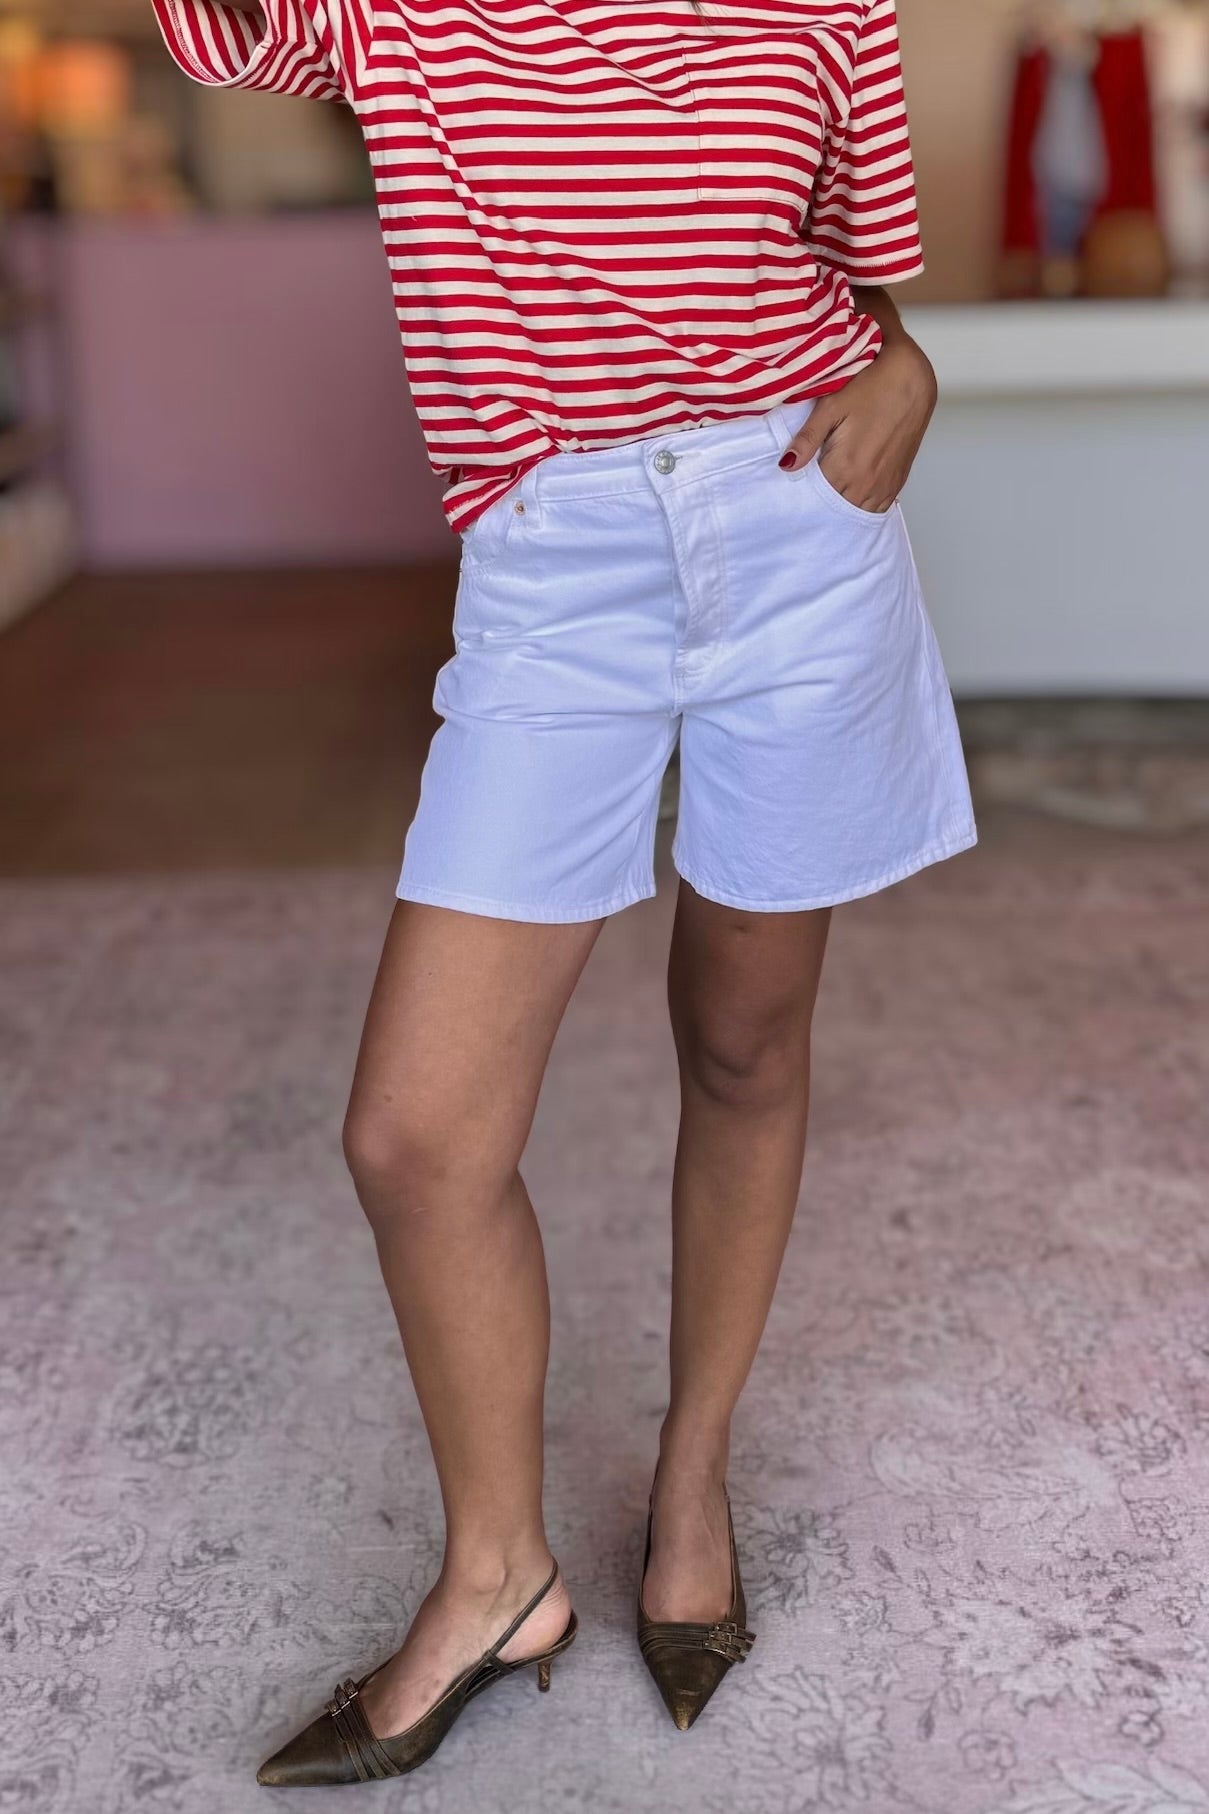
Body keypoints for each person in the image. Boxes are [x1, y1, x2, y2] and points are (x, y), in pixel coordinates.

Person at [150, 0, 978, 1783]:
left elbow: (848, 266)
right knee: (414, 1134)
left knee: (743, 1038)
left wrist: (910, 361)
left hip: (799, 524)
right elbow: (214, 39)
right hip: (553, 567)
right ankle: (499, 1573)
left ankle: (692, 1475)